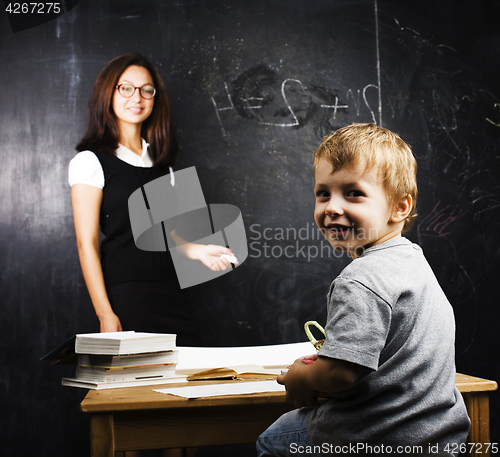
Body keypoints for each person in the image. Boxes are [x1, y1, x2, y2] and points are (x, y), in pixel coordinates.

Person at [256, 123, 470, 456]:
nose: (331, 207)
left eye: (353, 193)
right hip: (441, 437)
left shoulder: (360, 279)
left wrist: (302, 376)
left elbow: (340, 375)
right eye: (323, 193)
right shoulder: (414, 262)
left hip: (377, 436)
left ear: (399, 207)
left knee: (271, 439)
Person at [69, 53, 234, 343]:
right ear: (108, 92)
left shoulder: (163, 164)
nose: (138, 97)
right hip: (126, 296)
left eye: (147, 90)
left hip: (173, 291)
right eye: (126, 88)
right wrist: (105, 314)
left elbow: (165, 236)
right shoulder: (90, 161)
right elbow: (87, 244)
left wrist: (196, 251)